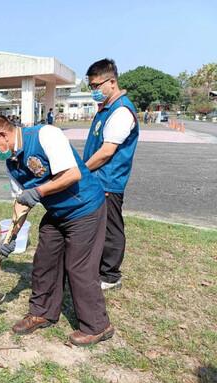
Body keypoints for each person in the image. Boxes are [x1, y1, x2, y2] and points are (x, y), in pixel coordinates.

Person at [0, 115, 113, 347]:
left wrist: (38, 192)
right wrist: (12, 236)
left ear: (2, 135)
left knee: (79, 268)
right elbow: (21, 202)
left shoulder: (45, 135)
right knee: (44, 262)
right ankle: (43, 312)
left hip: (85, 208)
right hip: (57, 212)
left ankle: (97, 326)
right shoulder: (12, 163)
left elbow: (72, 174)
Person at [83, 59, 139, 291]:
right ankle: (99, 268)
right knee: (98, 226)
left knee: (110, 227)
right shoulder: (106, 108)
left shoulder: (121, 111)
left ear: (112, 82)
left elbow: (106, 152)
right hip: (97, 179)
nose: (94, 91)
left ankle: (109, 275)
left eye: (97, 86)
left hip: (108, 180)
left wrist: (81, 171)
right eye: (91, 87)